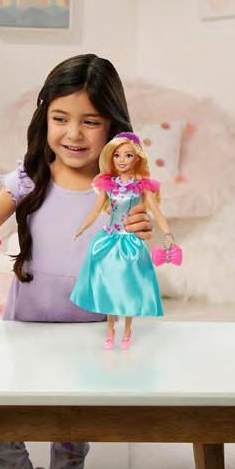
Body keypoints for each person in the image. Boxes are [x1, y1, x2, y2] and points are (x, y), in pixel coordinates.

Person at [0, 54, 153, 469]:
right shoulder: (30, 177)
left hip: (90, 334)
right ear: (44, 117)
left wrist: (145, 233)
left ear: (112, 125)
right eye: (61, 118)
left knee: (72, 438)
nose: (74, 133)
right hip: (25, 329)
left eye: (90, 121)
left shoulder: (119, 188)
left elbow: (141, 245)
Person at [72, 132, 173, 349]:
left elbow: (157, 212)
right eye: (117, 155)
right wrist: (82, 228)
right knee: (108, 284)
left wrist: (167, 234)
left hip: (130, 242)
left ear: (137, 158)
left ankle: (127, 332)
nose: (122, 160)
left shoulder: (142, 187)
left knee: (128, 286)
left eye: (128, 155)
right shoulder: (108, 185)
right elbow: (96, 210)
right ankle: (110, 331)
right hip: (109, 239)